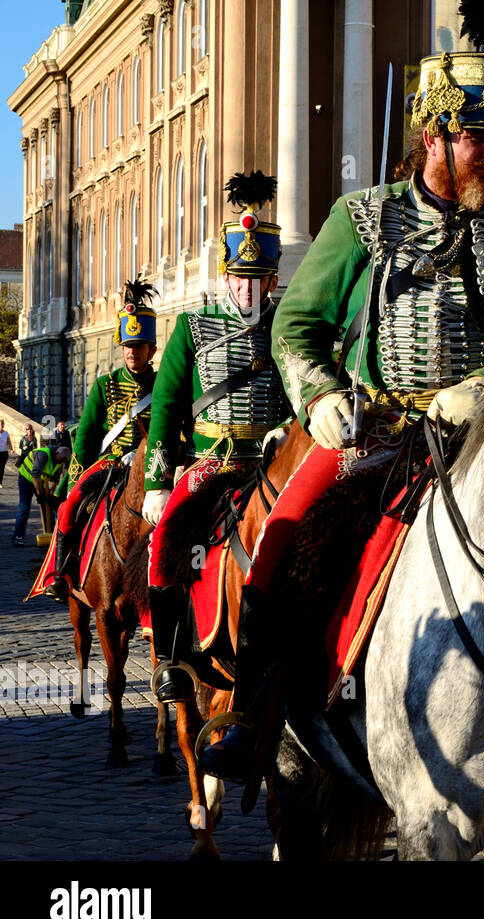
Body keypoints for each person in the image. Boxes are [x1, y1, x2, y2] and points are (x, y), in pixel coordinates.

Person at [199, 24, 484, 781]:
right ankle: (256, 708)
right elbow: (297, 326)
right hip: (383, 433)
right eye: (479, 140)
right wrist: (317, 398)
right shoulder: (363, 219)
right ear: (432, 136)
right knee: (282, 535)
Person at [143, 171, 295, 702]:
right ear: (227, 277)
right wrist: (158, 482)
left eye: (260, 278)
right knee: (166, 544)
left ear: (273, 280)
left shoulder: (287, 326)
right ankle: (171, 659)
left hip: (273, 464)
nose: (249, 288)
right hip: (212, 463)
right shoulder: (193, 327)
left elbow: (302, 394)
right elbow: (166, 405)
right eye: (240, 277)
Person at [42, 283, 157, 598]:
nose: (133, 352)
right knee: (68, 509)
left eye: (140, 346)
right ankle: (61, 573)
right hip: (110, 463)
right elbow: (89, 435)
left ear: (152, 350)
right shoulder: (105, 385)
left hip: (152, 468)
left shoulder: (162, 386)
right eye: (128, 346)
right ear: (122, 349)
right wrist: (78, 478)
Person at [13, 444, 70, 545]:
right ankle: (18, 537)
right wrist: (40, 495)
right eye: (60, 460)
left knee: (48, 506)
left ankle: (51, 534)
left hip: (40, 482)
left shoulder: (60, 461)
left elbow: (55, 480)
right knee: (24, 508)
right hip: (26, 479)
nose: (60, 463)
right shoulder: (43, 454)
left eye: (62, 461)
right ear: (56, 453)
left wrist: (49, 494)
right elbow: (35, 475)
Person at [0, 420, 10, 486]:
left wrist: (11, 449)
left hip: (4, 453)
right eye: (0, 424)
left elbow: (9, 441)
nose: (1, 426)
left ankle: (0, 482)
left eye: (2, 424)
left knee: (2, 468)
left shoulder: (6, 433)